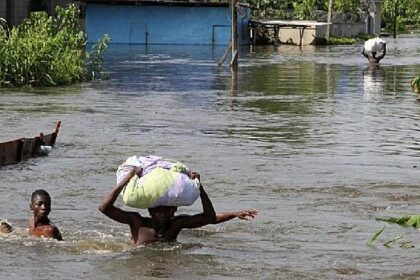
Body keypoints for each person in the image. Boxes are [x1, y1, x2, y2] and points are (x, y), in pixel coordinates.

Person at [98, 167, 258, 245]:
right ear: (150, 210)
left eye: (167, 210)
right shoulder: (137, 222)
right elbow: (104, 208)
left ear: (174, 210)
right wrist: (127, 179)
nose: (162, 214)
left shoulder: (177, 223)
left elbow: (210, 218)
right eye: (158, 210)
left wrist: (199, 187)